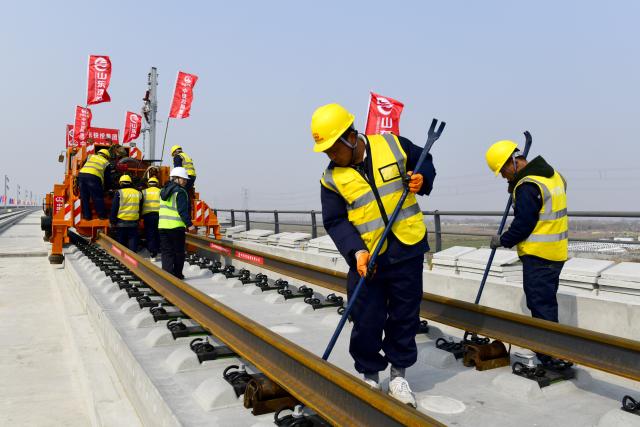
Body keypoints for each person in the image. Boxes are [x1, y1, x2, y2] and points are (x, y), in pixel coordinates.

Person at [311, 103, 436, 407]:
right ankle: (369, 373)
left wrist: (422, 179)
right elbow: (335, 221)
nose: (330, 156)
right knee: (366, 317)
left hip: (407, 248)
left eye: (332, 148)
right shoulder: (331, 179)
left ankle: (398, 374)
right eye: (325, 151)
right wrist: (356, 252)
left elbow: (425, 161)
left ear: (351, 137)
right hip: (369, 259)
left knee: (404, 316)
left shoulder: (393, 144)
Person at [486, 140, 571, 369]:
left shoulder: (527, 186)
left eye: (503, 170)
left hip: (538, 256)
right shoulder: (554, 175)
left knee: (541, 306)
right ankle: (554, 353)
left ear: (513, 162)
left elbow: (523, 224)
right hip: (556, 253)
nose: (504, 176)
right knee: (547, 304)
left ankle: (550, 356)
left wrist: (502, 240)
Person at [158, 167, 196, 279]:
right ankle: (177, 275)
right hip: (176, 228)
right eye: (183, 179)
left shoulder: (162, 191)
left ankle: (167, 276)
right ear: (176, 178)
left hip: (163, 227)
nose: (185, 181)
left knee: (166, 252)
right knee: (178, 252)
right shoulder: (180, 192)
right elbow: (182, 211)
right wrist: (190, 225)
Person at [109, 175, 142, 251]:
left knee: (121, 242)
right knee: (133, 241)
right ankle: (132, 258)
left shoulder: (119, 193)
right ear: (130, 183)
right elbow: (140, 208)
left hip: (121, 222)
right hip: (134, 222)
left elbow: (114, 208)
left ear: (120, 183)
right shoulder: (138, 193)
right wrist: (139, 219)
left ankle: (122, 259)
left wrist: (112, 221)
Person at [78, 148, 112, 220]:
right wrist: (107, 189)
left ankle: (87, 216)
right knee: (97, 197)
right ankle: (102, 216)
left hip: (81, 176)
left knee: (85, 198)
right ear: (106, 156)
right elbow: (107, 179)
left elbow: (83, 165)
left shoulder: (90, 156)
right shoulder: (106, 163)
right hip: (93, 177)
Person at [141, 177, 161, 258]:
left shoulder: (144, 192)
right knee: (158, 233)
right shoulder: (161, 191)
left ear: (148, 184)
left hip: (148, 216)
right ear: (157, 184)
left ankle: (152, 251)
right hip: (159, 215)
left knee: (150, 233)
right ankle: (158, 249)